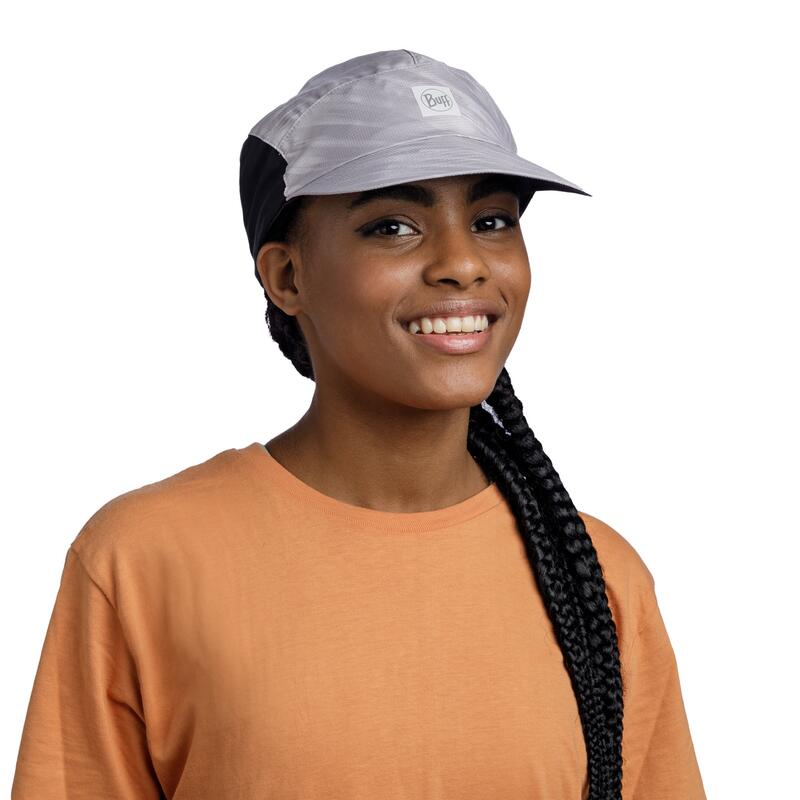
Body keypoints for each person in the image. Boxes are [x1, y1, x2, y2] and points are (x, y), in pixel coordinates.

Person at [12, 49, 707, 800]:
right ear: (287, 276)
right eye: (393, 226)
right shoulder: (143, 558)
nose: (463, 262)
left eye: (492, 220)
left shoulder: (596, 577)